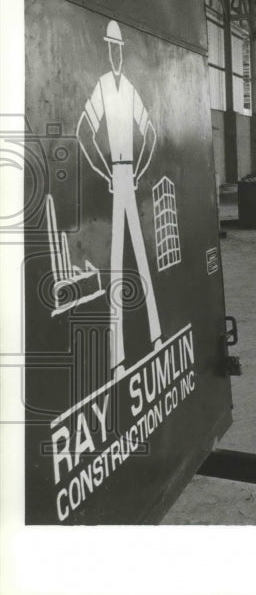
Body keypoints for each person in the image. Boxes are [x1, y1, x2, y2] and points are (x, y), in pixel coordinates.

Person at [76, 20, 161, 382]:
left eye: (117, 46)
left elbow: (152, 134)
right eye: (109, 46)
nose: (113, 51)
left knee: (141, 259)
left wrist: (138, 171)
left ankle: (155, 337)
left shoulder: (127, 89)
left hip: (129, 174)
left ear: (122, 50)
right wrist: (106, 171)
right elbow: (84, 131)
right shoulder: (103, 88)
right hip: (115, 174)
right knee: (116, 263)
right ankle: (119, 357)